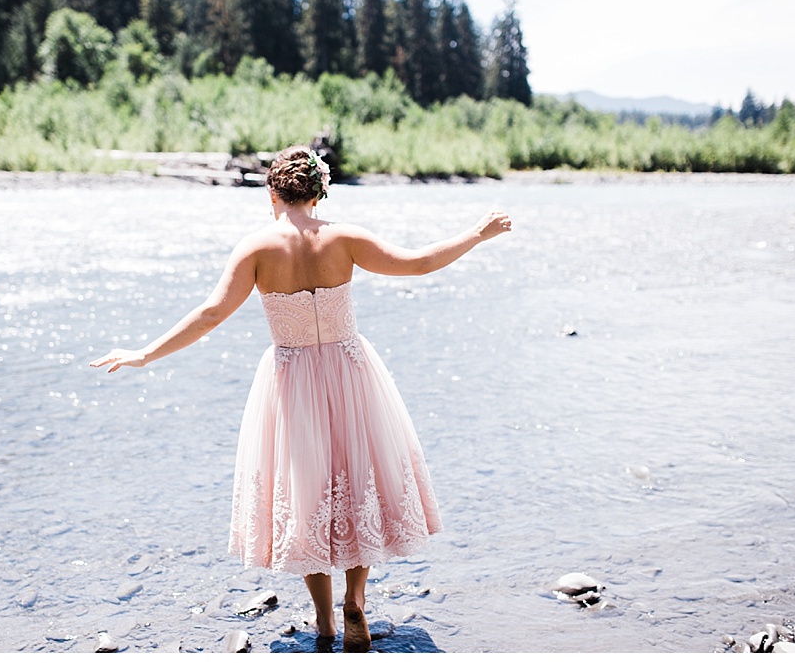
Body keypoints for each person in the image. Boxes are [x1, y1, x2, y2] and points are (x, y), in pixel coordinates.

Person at [90, 145, 511, 652]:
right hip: (351, 372)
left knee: (306, 494)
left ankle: (325, 622)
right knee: (356, 485)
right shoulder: (344, 237)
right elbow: (418, 264)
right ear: (320, 190)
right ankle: (356, 599)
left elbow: (208, 315)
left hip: (291, 377)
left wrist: (143, 354)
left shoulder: (256, 249)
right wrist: (477, 234)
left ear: (273, 193)